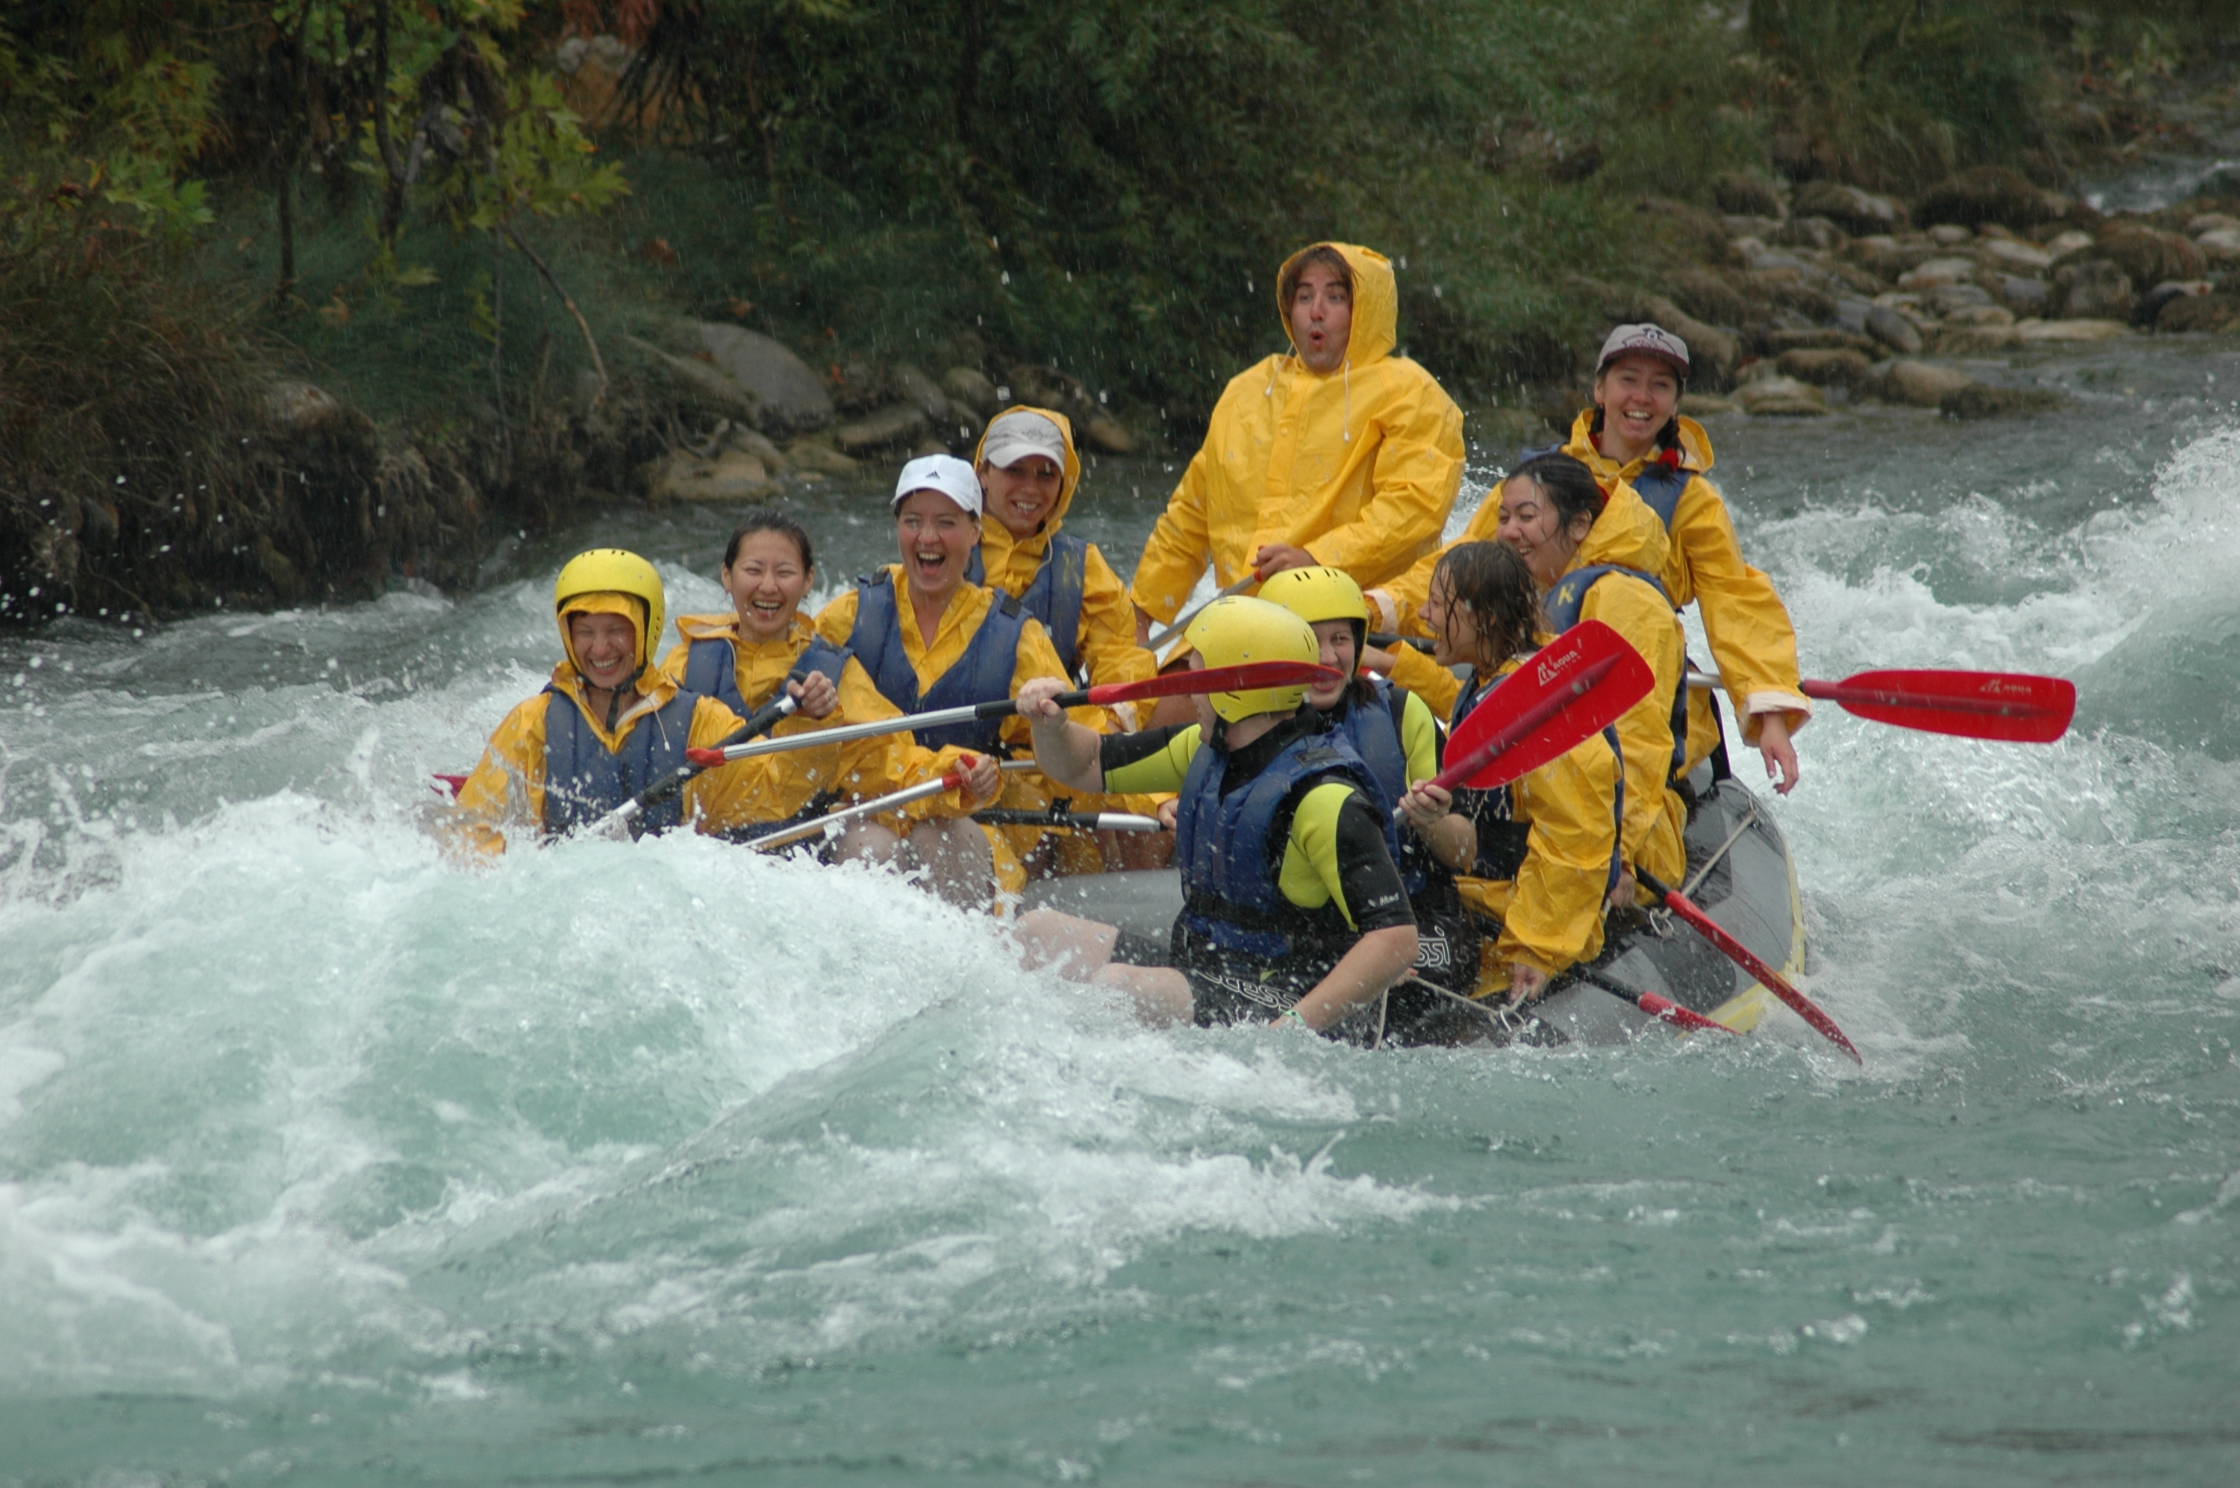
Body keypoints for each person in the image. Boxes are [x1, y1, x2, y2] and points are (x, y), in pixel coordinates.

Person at [1010, 596, 1421, 1045]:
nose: (1189, 693)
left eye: (1199, 677)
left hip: (1289, 1001)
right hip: (1207, 967)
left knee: (1118, 988)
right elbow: (1083, 764)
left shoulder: (1323, 798)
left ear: (1236, 689)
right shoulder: (1203, 750)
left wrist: (1290, 1034)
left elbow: (1397, 938)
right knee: (1035, 933)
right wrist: (1050, 726)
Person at [1128, 242, 1465, 652]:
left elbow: (1415, 508)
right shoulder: (1247, 390)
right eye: (1304, 296)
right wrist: (1141, 614)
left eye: (1335, 297)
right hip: (1237, 627)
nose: (1316, 310)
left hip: (1359, 630)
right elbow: (1191, 515)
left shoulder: (1410, 391)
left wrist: (1317, 560)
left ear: (1366, 310)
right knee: (1133, 712)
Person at [660, 509, 999, 869]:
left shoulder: (833, 672)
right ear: (727, 576)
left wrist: (957, 770)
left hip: (804, 858)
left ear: (808, 581)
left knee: (876, 846)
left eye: (785, 572)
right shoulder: (683, 663)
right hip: (701, 854)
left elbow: (887, 760)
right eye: (754, 570)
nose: (769, 586)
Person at [813, 454, 1081, 907]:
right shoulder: (848, 616)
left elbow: (1059, 759)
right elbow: (831, 743)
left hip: (973, 821)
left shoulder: (1017, 635)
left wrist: (998, 781)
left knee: (941, 839)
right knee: (870, 849)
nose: (928, 537)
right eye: (913, 521)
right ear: (898, 527)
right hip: (870, 810)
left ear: (977, 533)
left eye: (946, 522)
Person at [1560, 323, 1811, 793]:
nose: (1643, 396)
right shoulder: (1543, 478)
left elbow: (1734, 599)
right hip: (1544, 668)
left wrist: (1770, 711)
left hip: (1648, 683)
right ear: (1600, 389)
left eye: (1661, 386)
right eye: (1628, 380)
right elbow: (1471, 566)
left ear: (1675, 404)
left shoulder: (1693, 499)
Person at [1397, 542, 1625, 1009]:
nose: (1424, 615)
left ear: (1483, 618)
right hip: (1486, 897)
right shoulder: (1490, 680)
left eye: (1438, 604)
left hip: (1527, 922)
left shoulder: (1538, 707)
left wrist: (1537, 948)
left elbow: (1574, 835)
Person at [1256, 564, 1482, 1033]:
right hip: (1303, 935)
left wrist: (1432, 821)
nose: (1327, 657)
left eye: (1340, 639)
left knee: (1396, 997)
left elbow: (1465, 852)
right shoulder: (1248, 725)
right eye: (1308, 639)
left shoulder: (1403, 713)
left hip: (1414, 920)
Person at [447, 548, 792, 855]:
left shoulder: (702, 722)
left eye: (616, 630)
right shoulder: (531, 724)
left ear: (647, 629)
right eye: (585, 632)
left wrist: (811, 718)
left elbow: (780, 796)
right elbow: (472, 837)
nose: (600, 649)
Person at [971, 405, 1167, 872]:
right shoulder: (943, 550)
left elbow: (1122, 658)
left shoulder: (1081, 566)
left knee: (1121, 817)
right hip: (965, 755)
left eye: (1045, 474)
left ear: (1065, 483)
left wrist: (1117, 725)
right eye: (1014, 470)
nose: (1030, 488)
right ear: (982, 473)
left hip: (1051, 750)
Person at [1492, 453, 1688, 895]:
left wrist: (1614, 855)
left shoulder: (1625, 600)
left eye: (1526, 516)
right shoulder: (1544, 595)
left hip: (1627, 835)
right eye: (1504, 517)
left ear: (1580, 525)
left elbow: (1639, 740)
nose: (1508, 531)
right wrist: (1400, 665)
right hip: (1557, 810)